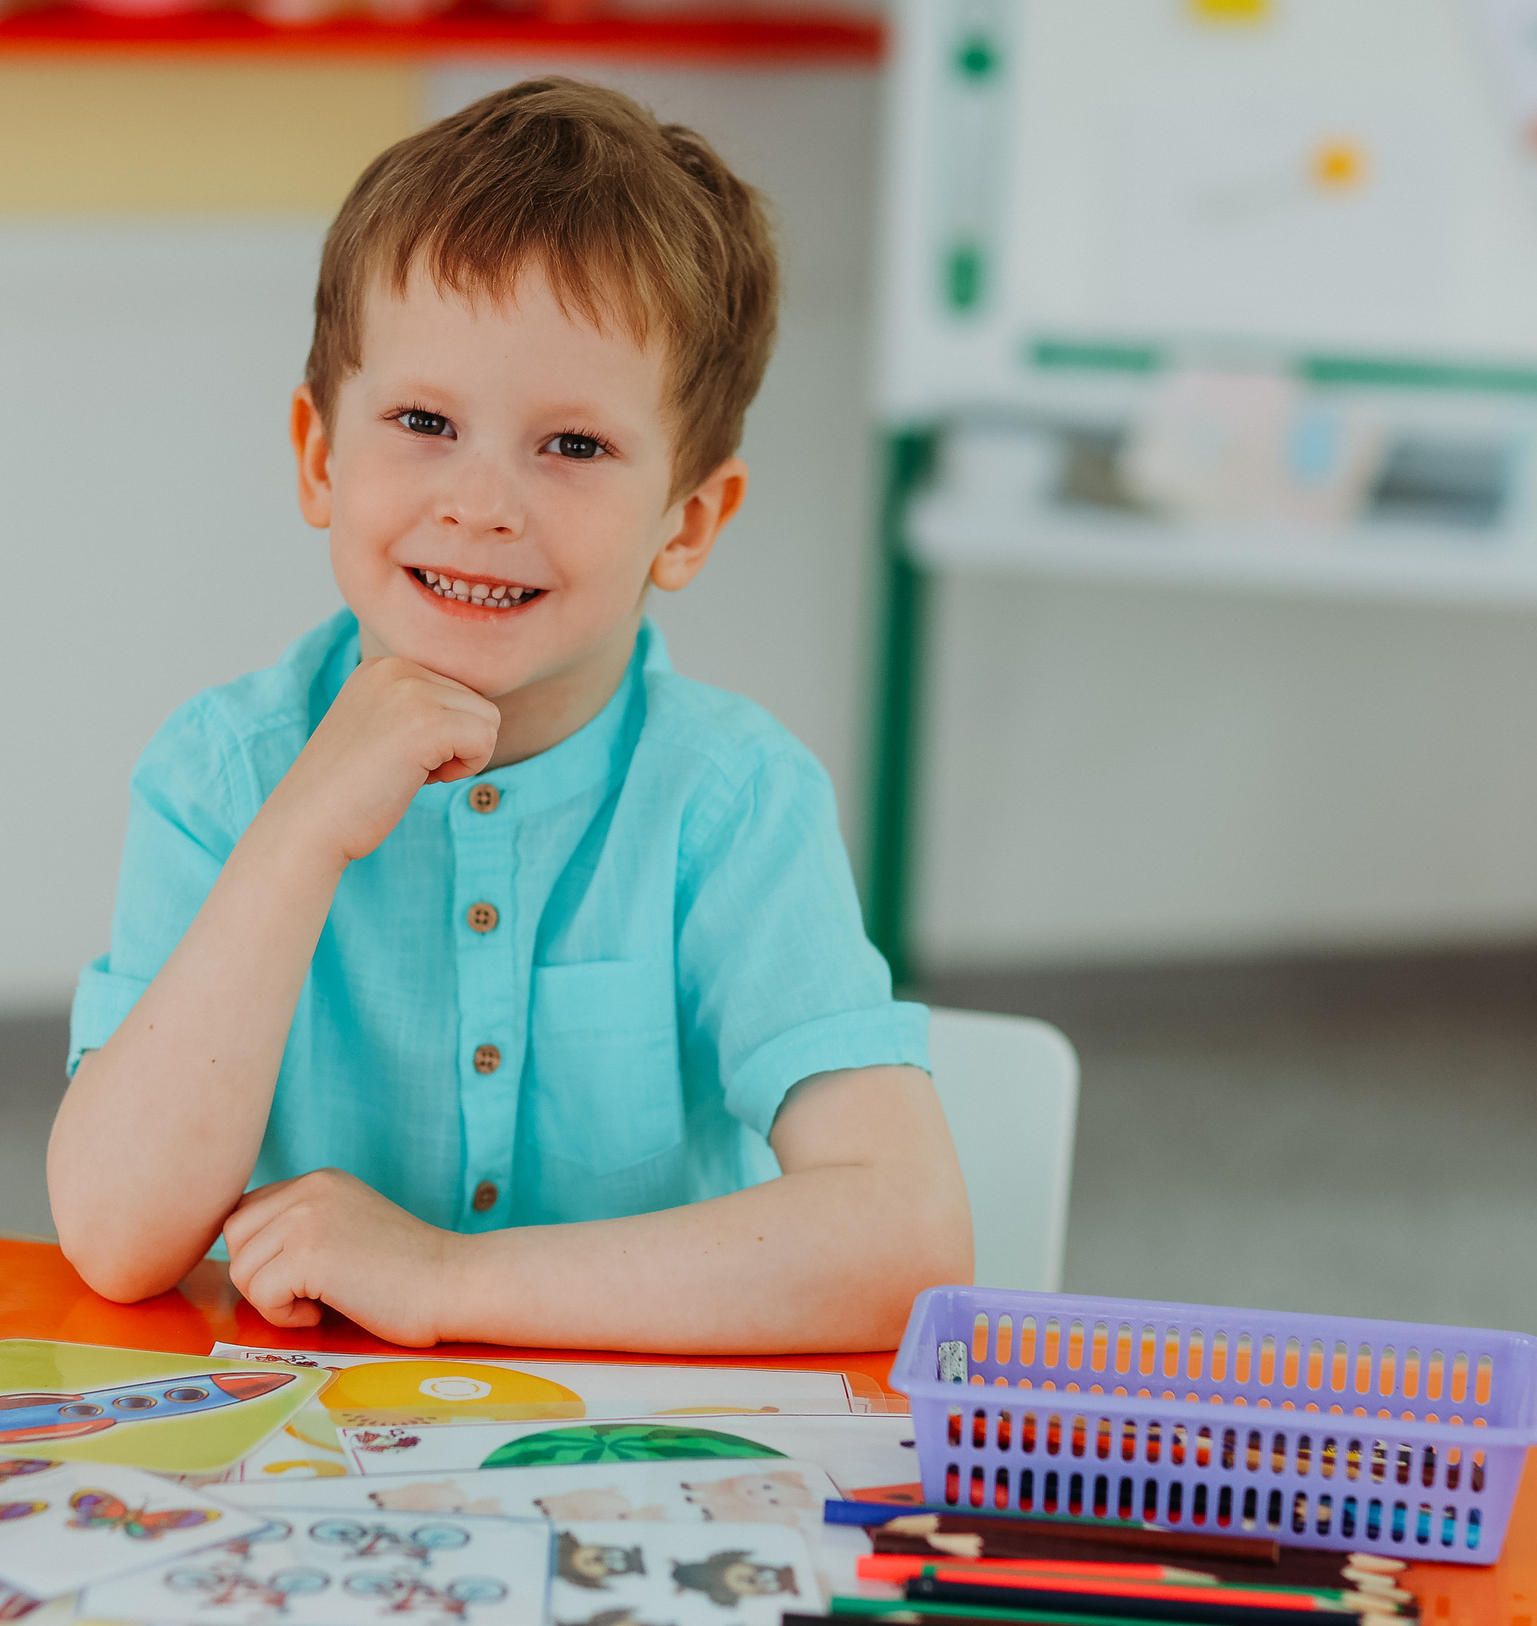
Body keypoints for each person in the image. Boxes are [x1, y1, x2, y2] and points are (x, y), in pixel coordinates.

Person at [47, 76, 972, 1351]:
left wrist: (445, 1281)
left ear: (688, 521)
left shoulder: (732, 800)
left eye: (573, 447)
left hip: (634, 1468)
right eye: (424, 421)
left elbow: (905, 1236)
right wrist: (304, 827)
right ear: (321, 458)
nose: (481, 503)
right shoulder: (224, 773)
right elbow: (113, 1233)